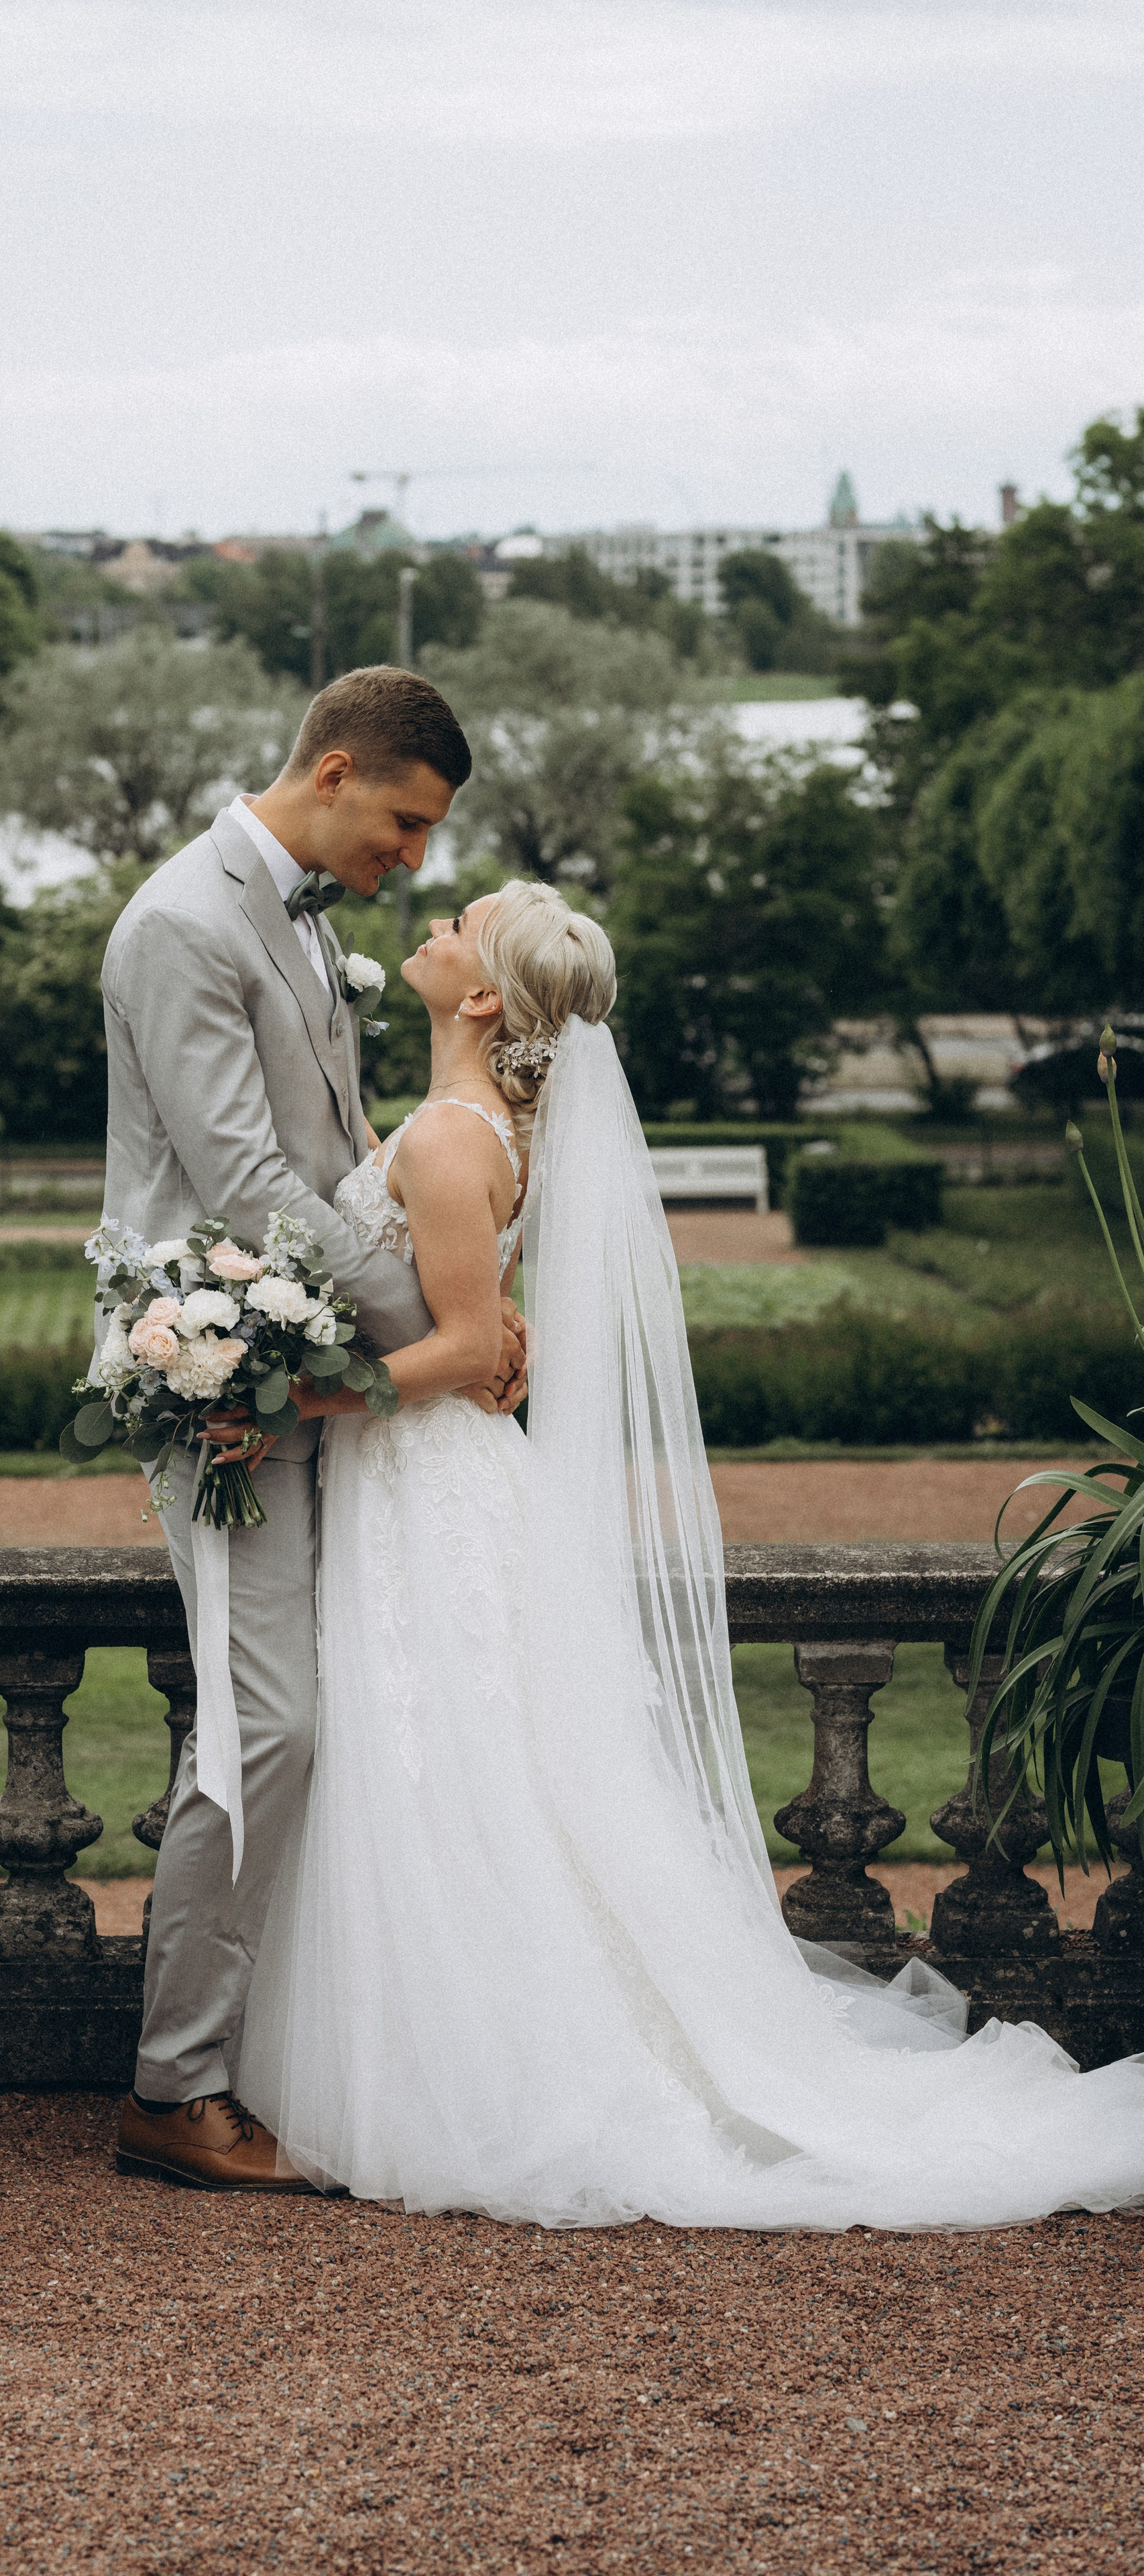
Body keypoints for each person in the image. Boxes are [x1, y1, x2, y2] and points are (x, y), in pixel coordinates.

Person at [233, 879, 1144, 2229]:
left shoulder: (444, 1136)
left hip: (426, 1486)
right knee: (476, 1764)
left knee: (449, 1755)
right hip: (443, 1480)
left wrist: (288, 1392)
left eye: (457, 926)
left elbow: (473, 1348)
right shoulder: (466, 1125)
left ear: (482, 995)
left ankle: (485, 2067)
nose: (430, 926)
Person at [102, 667, 524, 2191]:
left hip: (312, 1361)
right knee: (265, 1719)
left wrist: (459, 1304)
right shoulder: (179, 925)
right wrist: (442, 1327)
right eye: (403, 825)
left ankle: (293, 2051)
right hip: (216, 1378)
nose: (413, 860)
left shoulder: (307, 923)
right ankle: (172, 2087)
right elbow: (242, 1190)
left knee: (356, 1706)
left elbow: (337, 1156)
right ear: (335, 772)